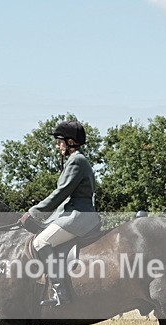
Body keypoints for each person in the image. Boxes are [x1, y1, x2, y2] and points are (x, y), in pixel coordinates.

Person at [18, 120, 101, 307]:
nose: (57, 146)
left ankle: (60, 292)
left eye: (59, 141)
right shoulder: (77, 160)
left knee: (40, 242)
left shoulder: (76, 160)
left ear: (70, 141)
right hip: (74, 213)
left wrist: (34, 212)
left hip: (79, 216)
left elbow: (61, 193)